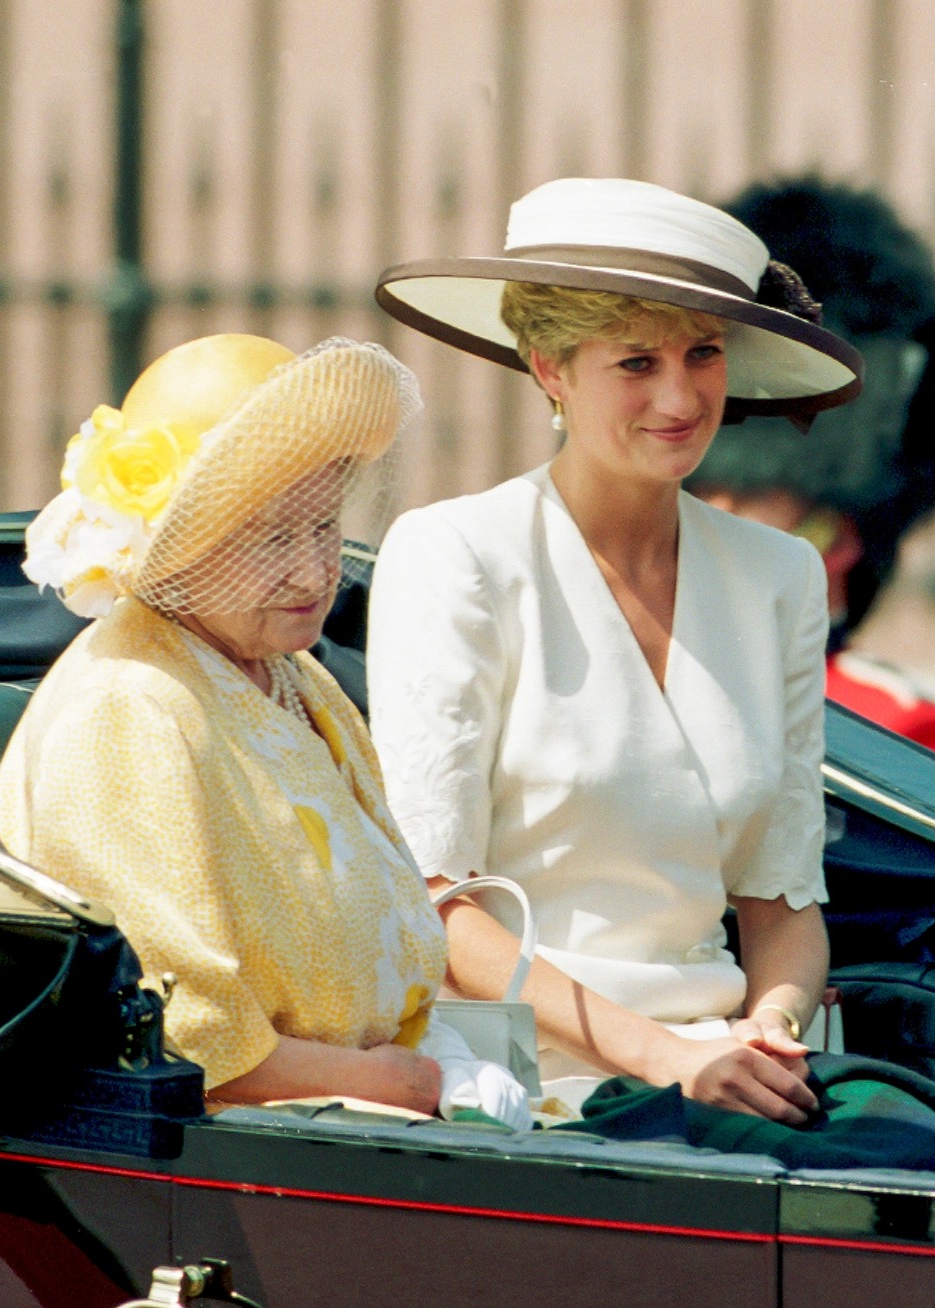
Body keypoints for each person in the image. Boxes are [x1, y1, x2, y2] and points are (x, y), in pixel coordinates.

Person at [369, 178, 864, 1123]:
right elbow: (432, 907)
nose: (679, 397)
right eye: (636, 362)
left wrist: (771, 1025)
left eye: (703, 353)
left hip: (728, 1071)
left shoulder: (780, 577)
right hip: (514, 1086)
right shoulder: (458, 554)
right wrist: (663, 1055)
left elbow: (781, 902)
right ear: (550, 367)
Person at [0, 333, 529, 1128]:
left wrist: (436, 1060)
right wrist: (406, 1084)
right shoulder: (127, 705)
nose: (316, 573)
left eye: (322, 528)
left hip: (373, 1107)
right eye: (274, 538)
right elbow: (183, 1034)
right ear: (184, 550)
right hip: (236, 1154)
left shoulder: (292, 672)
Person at [688, 178, 935, 764]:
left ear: (838, 535)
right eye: (704, 490)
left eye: (749, 494)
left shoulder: (895, 729)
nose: (712, 515)